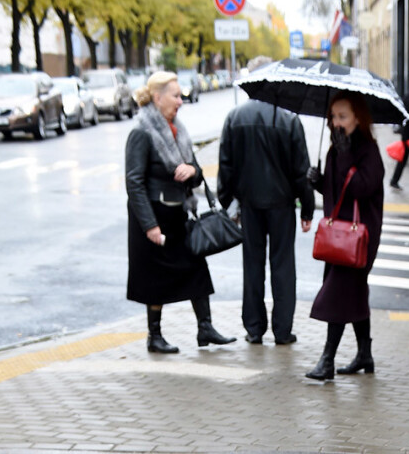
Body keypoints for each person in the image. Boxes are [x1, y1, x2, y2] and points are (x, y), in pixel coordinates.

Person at [125, 71, 236, 353]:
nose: (180, 101)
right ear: (157, 97)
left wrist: (193, 171)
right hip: (154, 218)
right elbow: (134, 182)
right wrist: (150, 225)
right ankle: (154, 336)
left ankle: (205, 329)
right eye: (175, 96)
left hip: (178, 216)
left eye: (180, 95)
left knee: (196, 267)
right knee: (154, 278)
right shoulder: (141, 131)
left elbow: (197, 175)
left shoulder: (179, 130)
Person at [218, 100, 315, 345]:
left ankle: (254, 328)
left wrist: (228, 201)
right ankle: (282, 330)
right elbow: (301, 169)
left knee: (252, 266)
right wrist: (307, 207)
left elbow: (226, 165)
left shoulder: (234, 117)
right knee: (283, 266)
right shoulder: (289, 120)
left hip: (249, 204)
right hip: (282, 204)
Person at [305, 90, 384, 380]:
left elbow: (362, 188)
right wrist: (319, 182)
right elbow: (337, 192)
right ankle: (365, 354)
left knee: (338, 293)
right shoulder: (336, 148)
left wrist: (346, 153)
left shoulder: (367, 150)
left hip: (359, 237)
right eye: (333, 116)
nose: (336, 122)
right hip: (339, 235)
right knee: (353, 292)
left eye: (343, 116)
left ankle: (327, 361)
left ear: (357, 118)